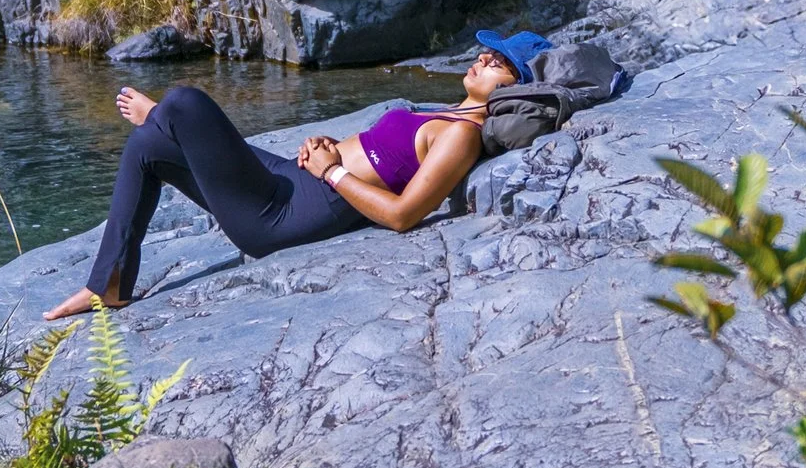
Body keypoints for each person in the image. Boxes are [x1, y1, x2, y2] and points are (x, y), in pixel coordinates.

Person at [44, 29, 551, 320]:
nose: (484, 58)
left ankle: (165, 118)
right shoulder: (449, 112)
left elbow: (403, 215)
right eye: (487, 52)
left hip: (283, 215)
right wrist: (331, 149)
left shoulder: (462, 134)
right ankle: (108, 284)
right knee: (148, 146)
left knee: (182, 104)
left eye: (500, 62)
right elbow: (378, 156)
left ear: (514, 86)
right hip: (295, 181)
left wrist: (333, 174)